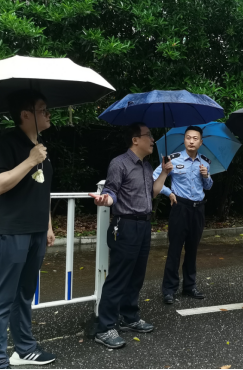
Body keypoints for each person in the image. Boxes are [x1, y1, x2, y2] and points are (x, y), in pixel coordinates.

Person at [0, 90, 56, 369]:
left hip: (36, 232)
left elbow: (42, 191)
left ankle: (25, 349)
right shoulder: (5, 144)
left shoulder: (41, 148)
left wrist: (48, 226)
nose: (48, 114)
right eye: (42, 109)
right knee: (3, 297)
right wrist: (29, 160)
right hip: (11, 232)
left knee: (25, 294)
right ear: (26, 115)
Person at [90, 123, 172, 349]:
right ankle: (105, 328)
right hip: (125, 225)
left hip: (144, 225)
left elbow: (151, 193)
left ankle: (129, 316)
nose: (153, 139)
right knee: (118, 277)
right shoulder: (119, 163)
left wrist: (164, 173)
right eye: (149, 135)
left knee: (136, 275)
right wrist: (105, 200)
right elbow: (111, 191)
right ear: (135, 140)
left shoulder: (146, 166)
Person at [152, 126, 213, 305]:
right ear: (184, 140)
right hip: (180, 207)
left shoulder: (205, 162)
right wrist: (168, 192)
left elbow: (208, 186)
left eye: (195, 138)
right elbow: (154, 177)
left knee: (192, 249)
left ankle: (190, 286)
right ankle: (169, 290)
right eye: (188, 137)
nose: (191, 141)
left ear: (201, 142)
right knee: (175, 249)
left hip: (198, 209)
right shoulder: (173, 159)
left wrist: (206, 176)